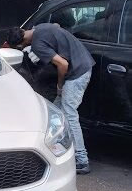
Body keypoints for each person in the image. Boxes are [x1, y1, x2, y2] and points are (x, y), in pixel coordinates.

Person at [6, 24, 94, 175]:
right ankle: (56, 151)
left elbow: (63, 64)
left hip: (77, 73)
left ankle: (82, 159)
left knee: (69, 114)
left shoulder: (37, 45)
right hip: (83, 63)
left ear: (22, 43)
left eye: (21, 47)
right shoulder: (41, 27)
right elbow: (56, 26)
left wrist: (59, 85)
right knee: (55, 112)